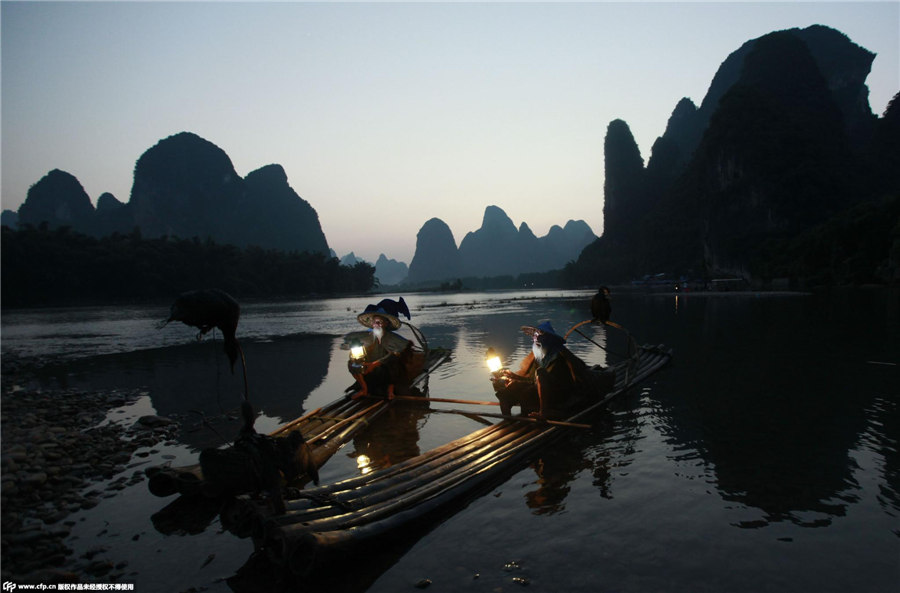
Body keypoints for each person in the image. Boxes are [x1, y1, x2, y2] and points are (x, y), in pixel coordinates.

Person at [491, 320, 607, 420]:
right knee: (511, 386)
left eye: (540, 336)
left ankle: (544, 412)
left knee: (540, 373)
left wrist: (533, 380)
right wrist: (513, 377)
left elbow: (549, 381)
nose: (536, 340)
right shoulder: (538, 358)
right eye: (535, 337)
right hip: (539, 391)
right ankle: (508, 419)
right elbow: (531, 380)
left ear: (549, 339)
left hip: (558, 394)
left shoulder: (559, 358)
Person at [343, 297, 422, 398]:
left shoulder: (392, 338)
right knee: (352, 363)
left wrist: (375, 364)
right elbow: (357, 352)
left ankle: (390, 390)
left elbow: (397, 353)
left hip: (386, 372)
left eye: (379, 322)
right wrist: (356, 358)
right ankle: (364, 388)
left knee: (394, 362)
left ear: (386, 323)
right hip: (371, 371)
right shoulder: (367, 338)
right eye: (375, 322)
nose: (377, 325)